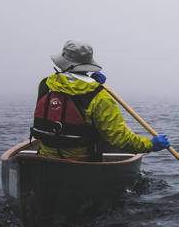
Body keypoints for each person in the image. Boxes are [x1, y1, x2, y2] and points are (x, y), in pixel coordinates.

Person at [31, 40, 170, 161]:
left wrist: (90, 80)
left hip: (44, 156)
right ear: (87, 64)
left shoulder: (46, 84)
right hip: (82, 161)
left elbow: (68, 89)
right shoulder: (99, 97)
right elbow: (118, 137)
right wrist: (150, 145)